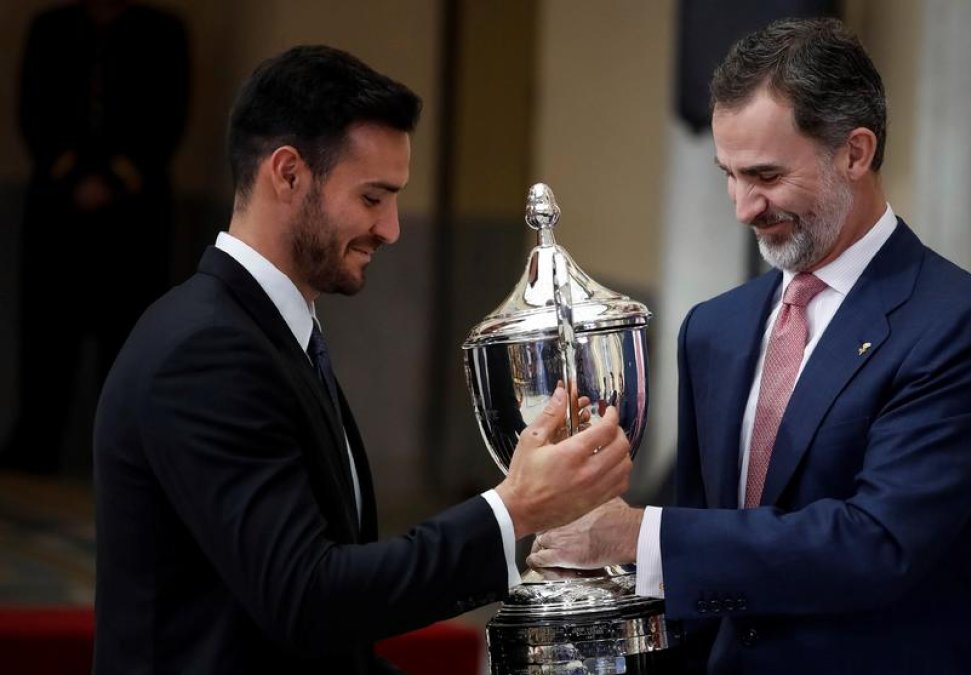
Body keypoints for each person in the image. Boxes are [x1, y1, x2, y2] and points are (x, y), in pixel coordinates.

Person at [91, 45, 632, 675]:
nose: (393, 228)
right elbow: (306, 599)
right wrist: (513, 510)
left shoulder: (266, 333)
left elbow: (322, 638)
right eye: (373, 198)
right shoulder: (204, 352)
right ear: (288, 174)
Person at [529, 18, 971, 674]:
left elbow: (874, 544)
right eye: (728, 174)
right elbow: (703, 574)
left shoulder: (959, 326)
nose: (743, 206)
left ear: (855, 152)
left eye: (764, 174)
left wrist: (638, 534)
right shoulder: (715, 327)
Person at [1, 0, 190, 475]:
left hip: (134, 218)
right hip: (57, 211)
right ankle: (36, 448)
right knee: (46, 334)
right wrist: (70, 174)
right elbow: (33, 110)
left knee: (129, 337)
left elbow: (167, 115)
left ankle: (125, 456)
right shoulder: (52, 29)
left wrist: (116, 177)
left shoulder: (162, 33)